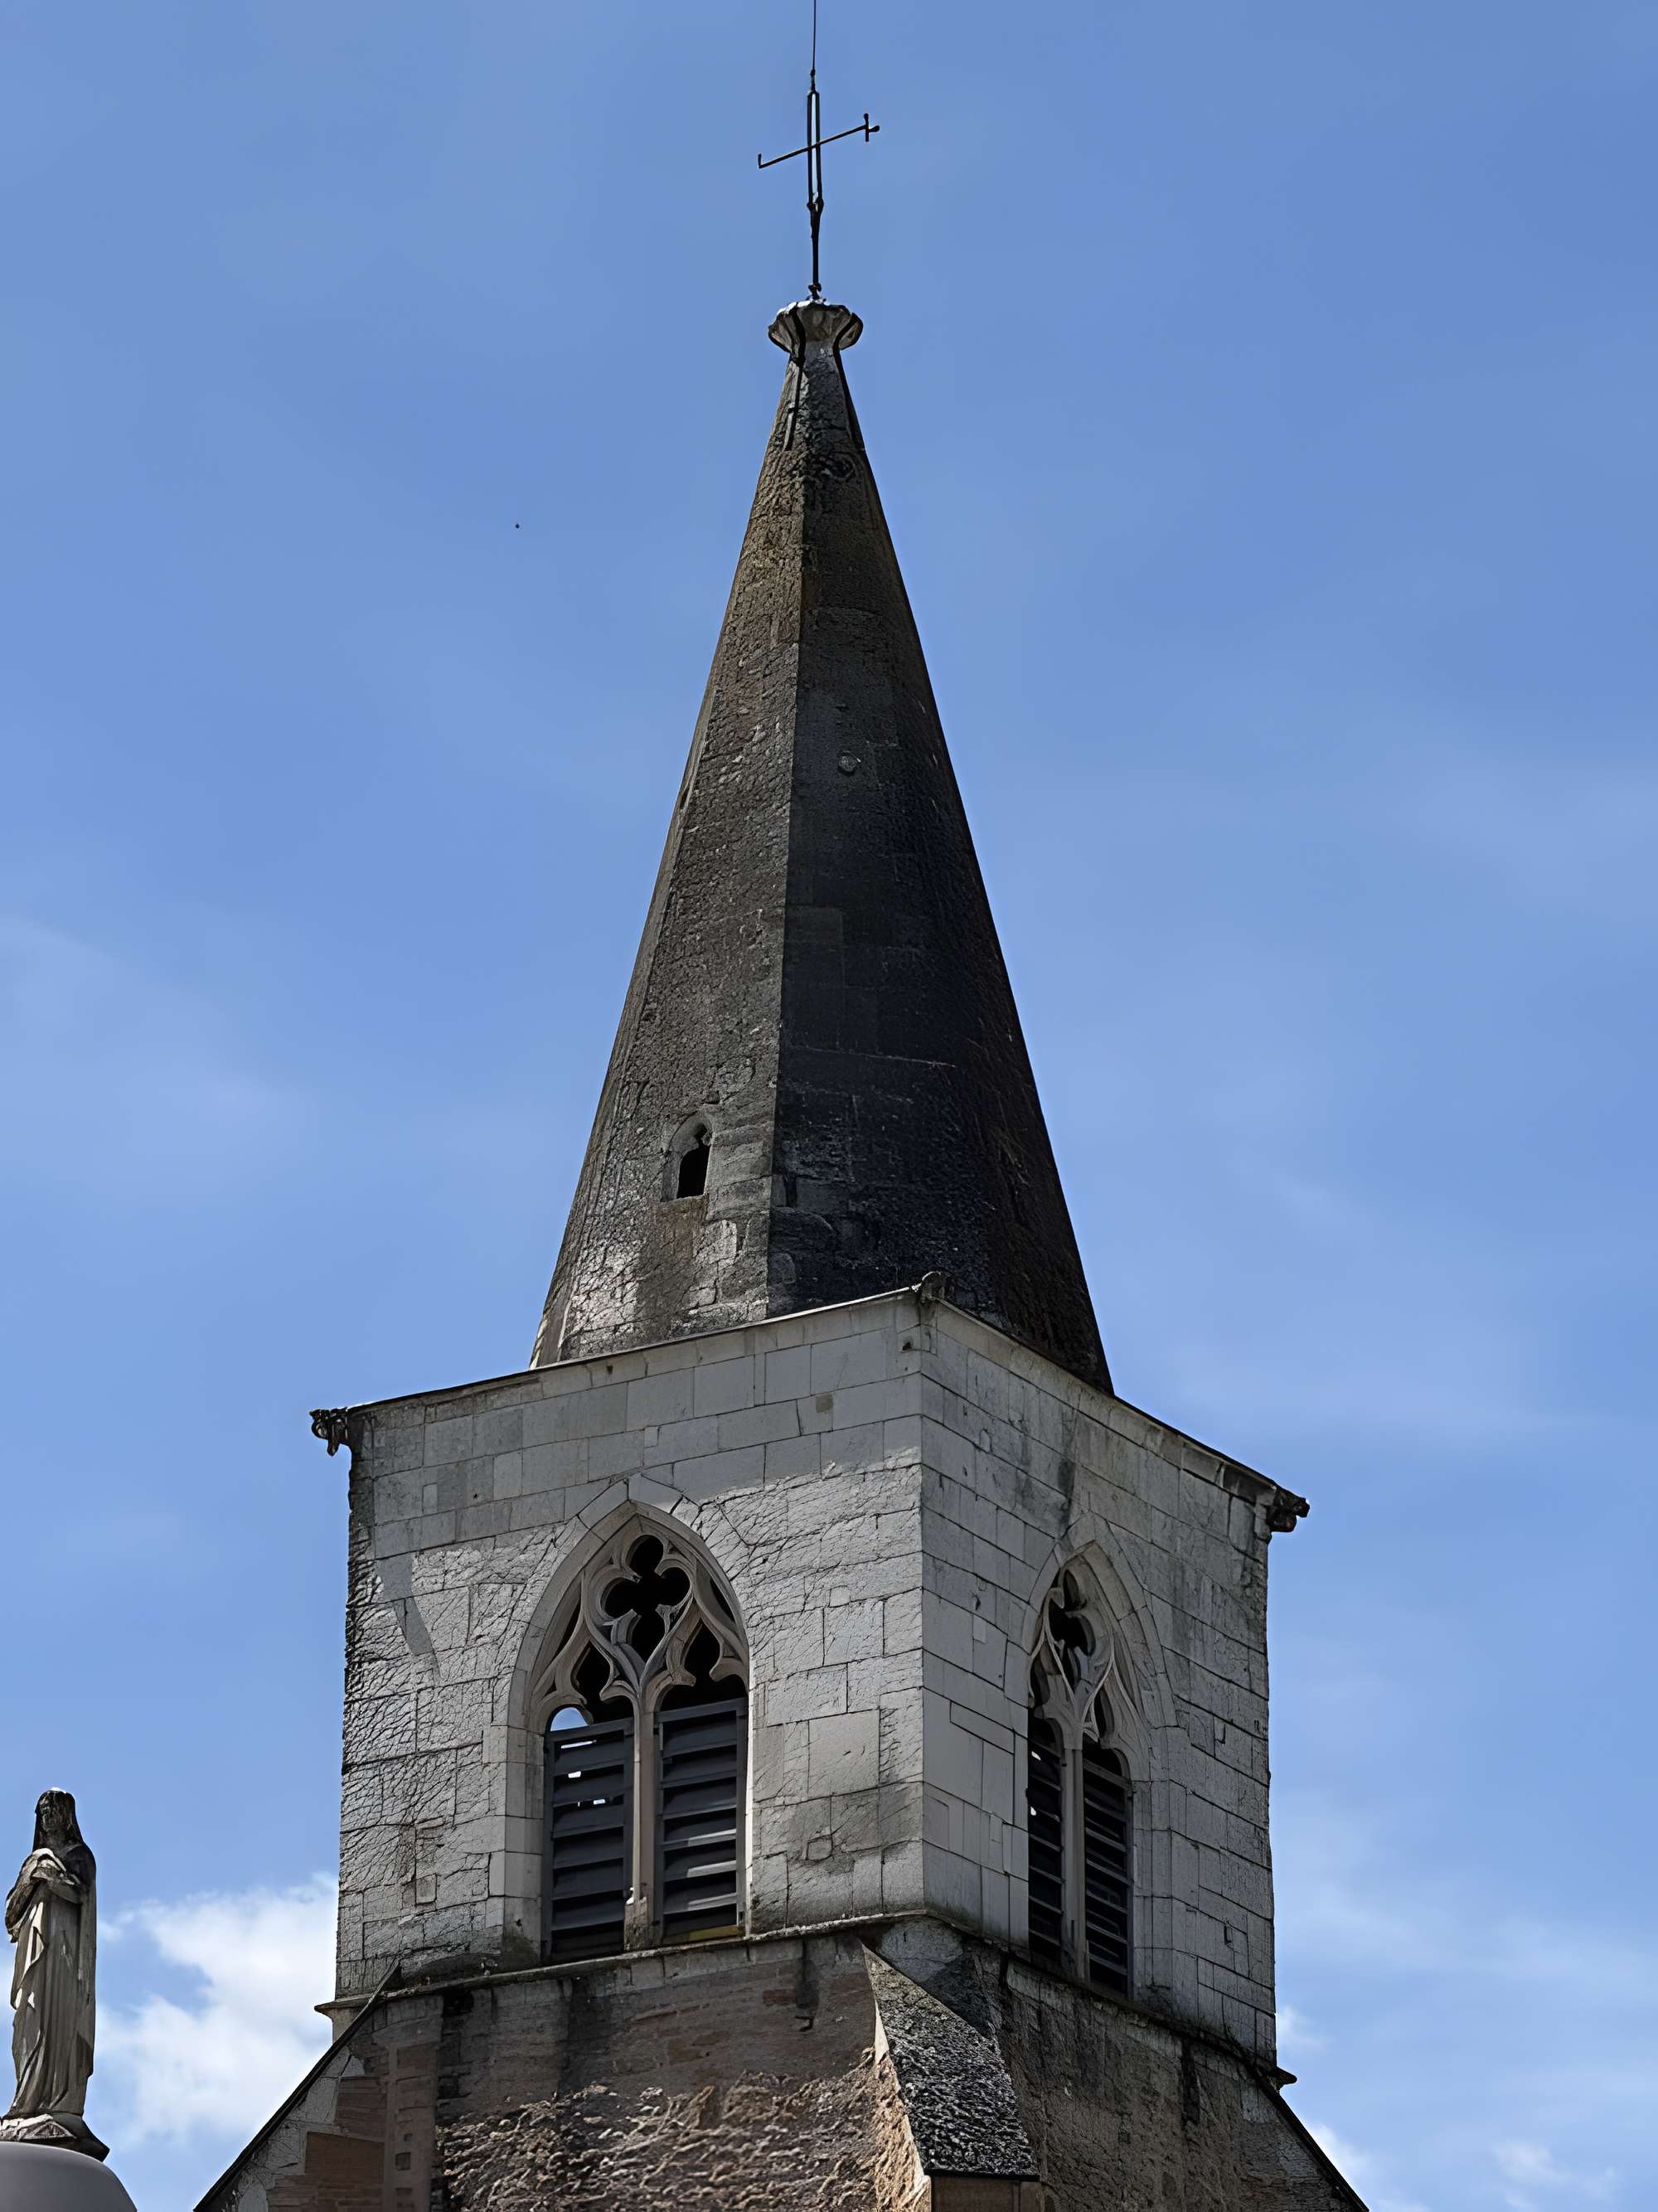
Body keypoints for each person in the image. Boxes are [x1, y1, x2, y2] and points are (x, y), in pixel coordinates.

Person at [5, 1792, 95, 2127]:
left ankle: (58, 2100)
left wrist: (50, 1874)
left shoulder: (78, 1856)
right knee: (31, 2017)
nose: (47, 1817)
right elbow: (11, 1916)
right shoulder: (33, 1862)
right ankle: (27, 2099)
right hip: (34, 1953)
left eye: (52, 1810)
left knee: (59, 2022)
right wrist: (33, 1875)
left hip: (64, 1952)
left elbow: (79, 1892)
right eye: (42, 1811)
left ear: (66, 1815)